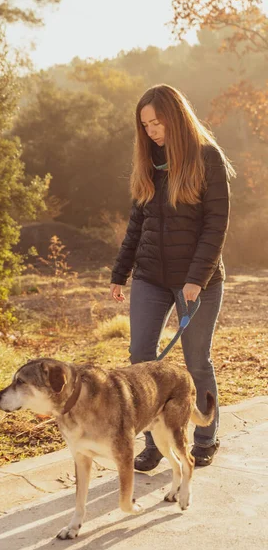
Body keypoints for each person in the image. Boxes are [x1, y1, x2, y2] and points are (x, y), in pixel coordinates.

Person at [110, 84, 234, 470]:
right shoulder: (149, 162)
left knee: (196, 361)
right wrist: (120, 272)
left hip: (198, 280)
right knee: (140, 361)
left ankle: (205, 436)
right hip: (151, 276)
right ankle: (152, 443)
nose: (152, 131)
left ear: (176, 118)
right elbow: (136, 224)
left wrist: (196, 278)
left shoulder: (206, 158)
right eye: (145, 125)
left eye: (157, 122)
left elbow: (217, 225)